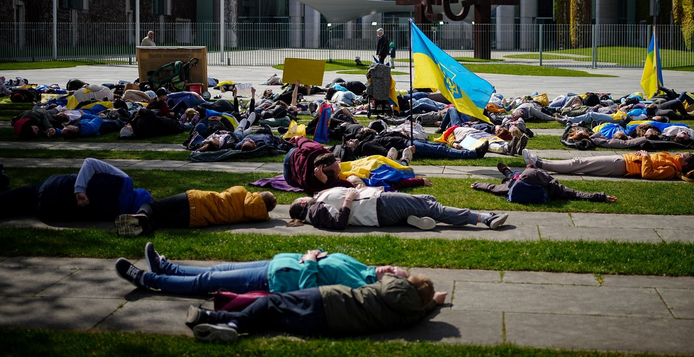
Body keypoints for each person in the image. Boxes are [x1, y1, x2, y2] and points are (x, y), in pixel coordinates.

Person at [184, 273, 446, 343]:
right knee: (272, 319)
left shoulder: (390, 283)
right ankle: (211, 317)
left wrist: (430, 296)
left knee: (270, 302)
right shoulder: (409, 316)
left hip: (328, 299)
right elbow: (421, 312)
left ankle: (232, 324)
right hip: (330, 325)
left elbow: (392, 277)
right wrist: (433, 302)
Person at [115, 243, 409, 295]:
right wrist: (315, 254)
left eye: (394, 273)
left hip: (276, 279)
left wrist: (308, 262)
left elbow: (311, 291)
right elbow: (323, 262)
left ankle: (148, 279)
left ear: (389, 283)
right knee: (217, 269)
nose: (391, 267)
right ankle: (167, 267)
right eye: (395, 266)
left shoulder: (358, 287)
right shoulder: (363, 268)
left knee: (207, 281)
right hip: (279, 264)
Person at [288, 186, 509, 231]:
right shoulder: (315, 211)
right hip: (378, 206)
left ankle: (412, 219)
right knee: (433, 207)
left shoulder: (317, 204)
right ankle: (484, 218)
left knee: (426, 199)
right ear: (303, 204)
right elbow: (338, 223)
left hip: (377, 203)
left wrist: (359, 189)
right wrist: (349, 198)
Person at [0, 157, 151, 222]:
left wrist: (80, 190)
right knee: (16, 208)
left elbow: (90, 162)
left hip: (59, 185)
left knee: (13, 197)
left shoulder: (123, 180)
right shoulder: (114, 213)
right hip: (51, 211)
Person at [114, 186, 277, 236]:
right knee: (161, 221)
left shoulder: (241, 191)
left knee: (153, 206)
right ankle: (144, 228)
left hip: (194, 199)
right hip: (194, 220)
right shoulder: (255, 218)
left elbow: (227, 192)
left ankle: (142, 216)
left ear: (257, 194)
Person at [472, 162, 618, 203]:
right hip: (524, 179)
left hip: (515, 180)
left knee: (513, 176)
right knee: (514, 176)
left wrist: (477, 184)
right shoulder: (553, 187)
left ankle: (508, 172)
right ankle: (509, 172)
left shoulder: (515, 186)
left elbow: (494, 187)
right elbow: (577, 194)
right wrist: (601, 196)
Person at [523, 149, 694, 180]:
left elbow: (648, 174)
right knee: (580, 163)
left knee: (579, 164)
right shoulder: (671, 160)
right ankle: (540, 162)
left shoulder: (671, 169)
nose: (681, 154)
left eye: (684, 155)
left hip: (622, 166)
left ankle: (539, 163)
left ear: (685, 162)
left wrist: (645, 157)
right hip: (623, 161)